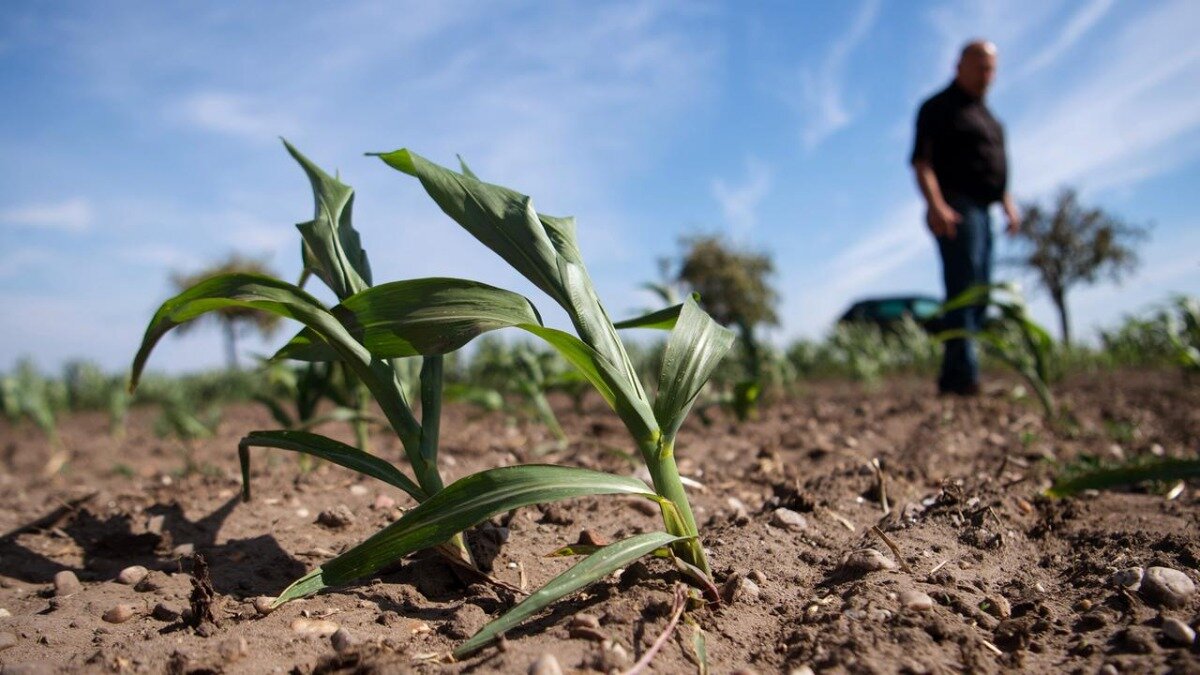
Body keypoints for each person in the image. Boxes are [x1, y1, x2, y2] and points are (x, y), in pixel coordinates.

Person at [911, 39, 1020, 396]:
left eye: (992, 67)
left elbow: (991, 168)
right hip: (957, 208)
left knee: (981, 294)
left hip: (985, 209)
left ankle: (954, 377)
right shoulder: (939, 108)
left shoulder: (989, 118)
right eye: (981, 65)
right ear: (960, 66)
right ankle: (966, 378)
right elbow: (922, 162)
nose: (987, 73)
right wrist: (936, 205)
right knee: (964, 289)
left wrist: (1006, 201)